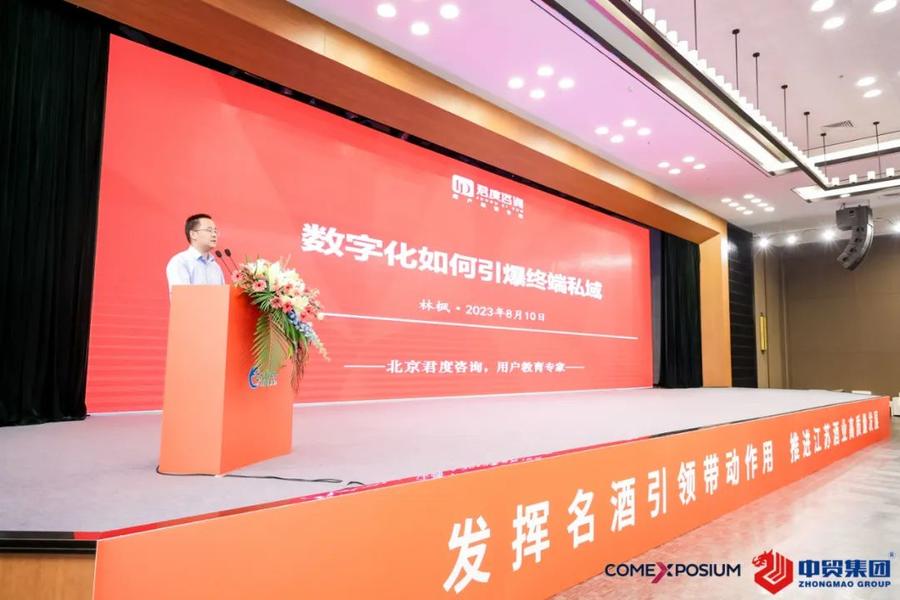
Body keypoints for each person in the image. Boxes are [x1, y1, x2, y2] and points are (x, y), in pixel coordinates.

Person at [165, 213, 225, 294]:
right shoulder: (180, 262)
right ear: (193, 234)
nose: (214, 235)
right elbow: (182, 297)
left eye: (215, 231)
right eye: (209, 230)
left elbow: (222, 297)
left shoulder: (215, 267)